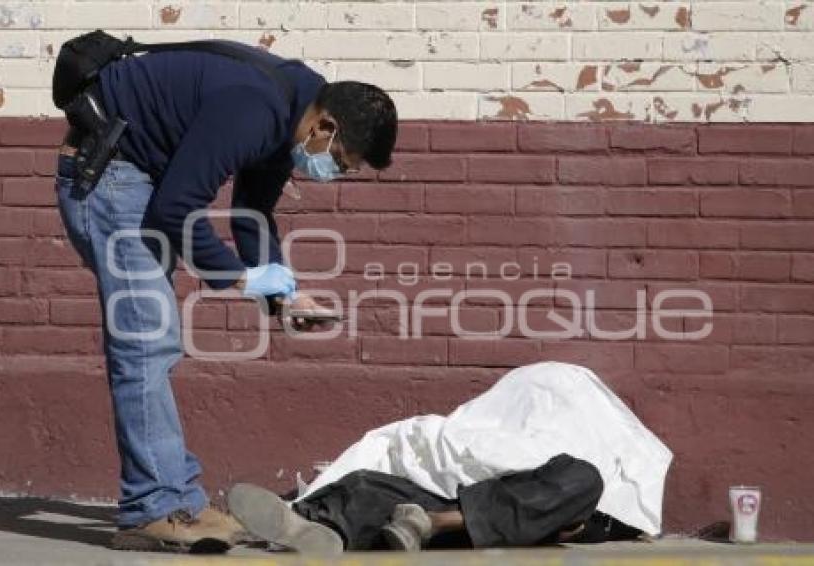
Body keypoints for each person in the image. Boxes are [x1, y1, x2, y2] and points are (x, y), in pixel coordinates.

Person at [54, 38, 398, 553]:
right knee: (146, 342)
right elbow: (175, 209)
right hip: (109, 176)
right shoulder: (255, 108)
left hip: (138, 175)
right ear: (325, 128)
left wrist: (283, 295)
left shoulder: (294, 105)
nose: (337, 173)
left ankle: (175, 499)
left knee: (153, 341)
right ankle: (155, 508)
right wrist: (240, 279)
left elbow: (252, 209)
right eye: (343, 162)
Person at [227, 454, 642, 554]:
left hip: (516, 514)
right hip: (439, 499)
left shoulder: (585, 464)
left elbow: (584, 522)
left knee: (583, 476)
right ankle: (307, 525)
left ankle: (435, 522)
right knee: (362, 485)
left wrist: (573, 518)